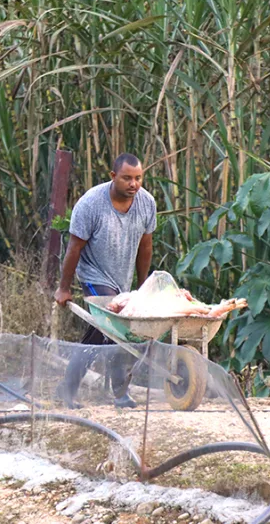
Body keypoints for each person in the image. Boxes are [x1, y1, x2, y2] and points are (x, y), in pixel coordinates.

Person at [54, 153, 156, 408]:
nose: (133, 184)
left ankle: (90, 390)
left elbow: (146, 246)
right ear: (113, 176)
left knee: (115, 332)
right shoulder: (91, 204)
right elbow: (74, 248)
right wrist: (64, 288)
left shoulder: (146, 203)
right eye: (127, 178)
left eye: (138, 178)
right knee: (109, 328)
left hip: (122, 279)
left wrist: (142, 287)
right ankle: (112, 393)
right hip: (94, 274)